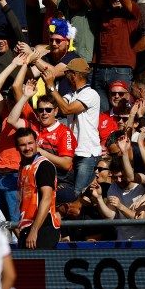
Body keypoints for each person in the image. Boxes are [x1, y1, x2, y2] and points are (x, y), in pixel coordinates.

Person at [42, 58, 100, 194]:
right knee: (70, 194)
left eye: (67, 72)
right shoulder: (72, 94)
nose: (65, 76)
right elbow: (55, 104)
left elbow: (67, 109)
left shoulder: (91, 94)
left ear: (74, 74)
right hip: (73, 153)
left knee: (77, 194)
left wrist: (51, 85)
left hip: (87, 153)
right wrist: (47, 83)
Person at [15, 128, 62, 249]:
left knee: (40, 268)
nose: (27, 147)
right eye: (23, 144)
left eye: (30, 143)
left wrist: (34, 230)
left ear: (36, 143)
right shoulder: (24, 167)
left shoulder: (44, 165)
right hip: (27, 228)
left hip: (42, 229)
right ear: (17, 147)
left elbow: (47, 199)